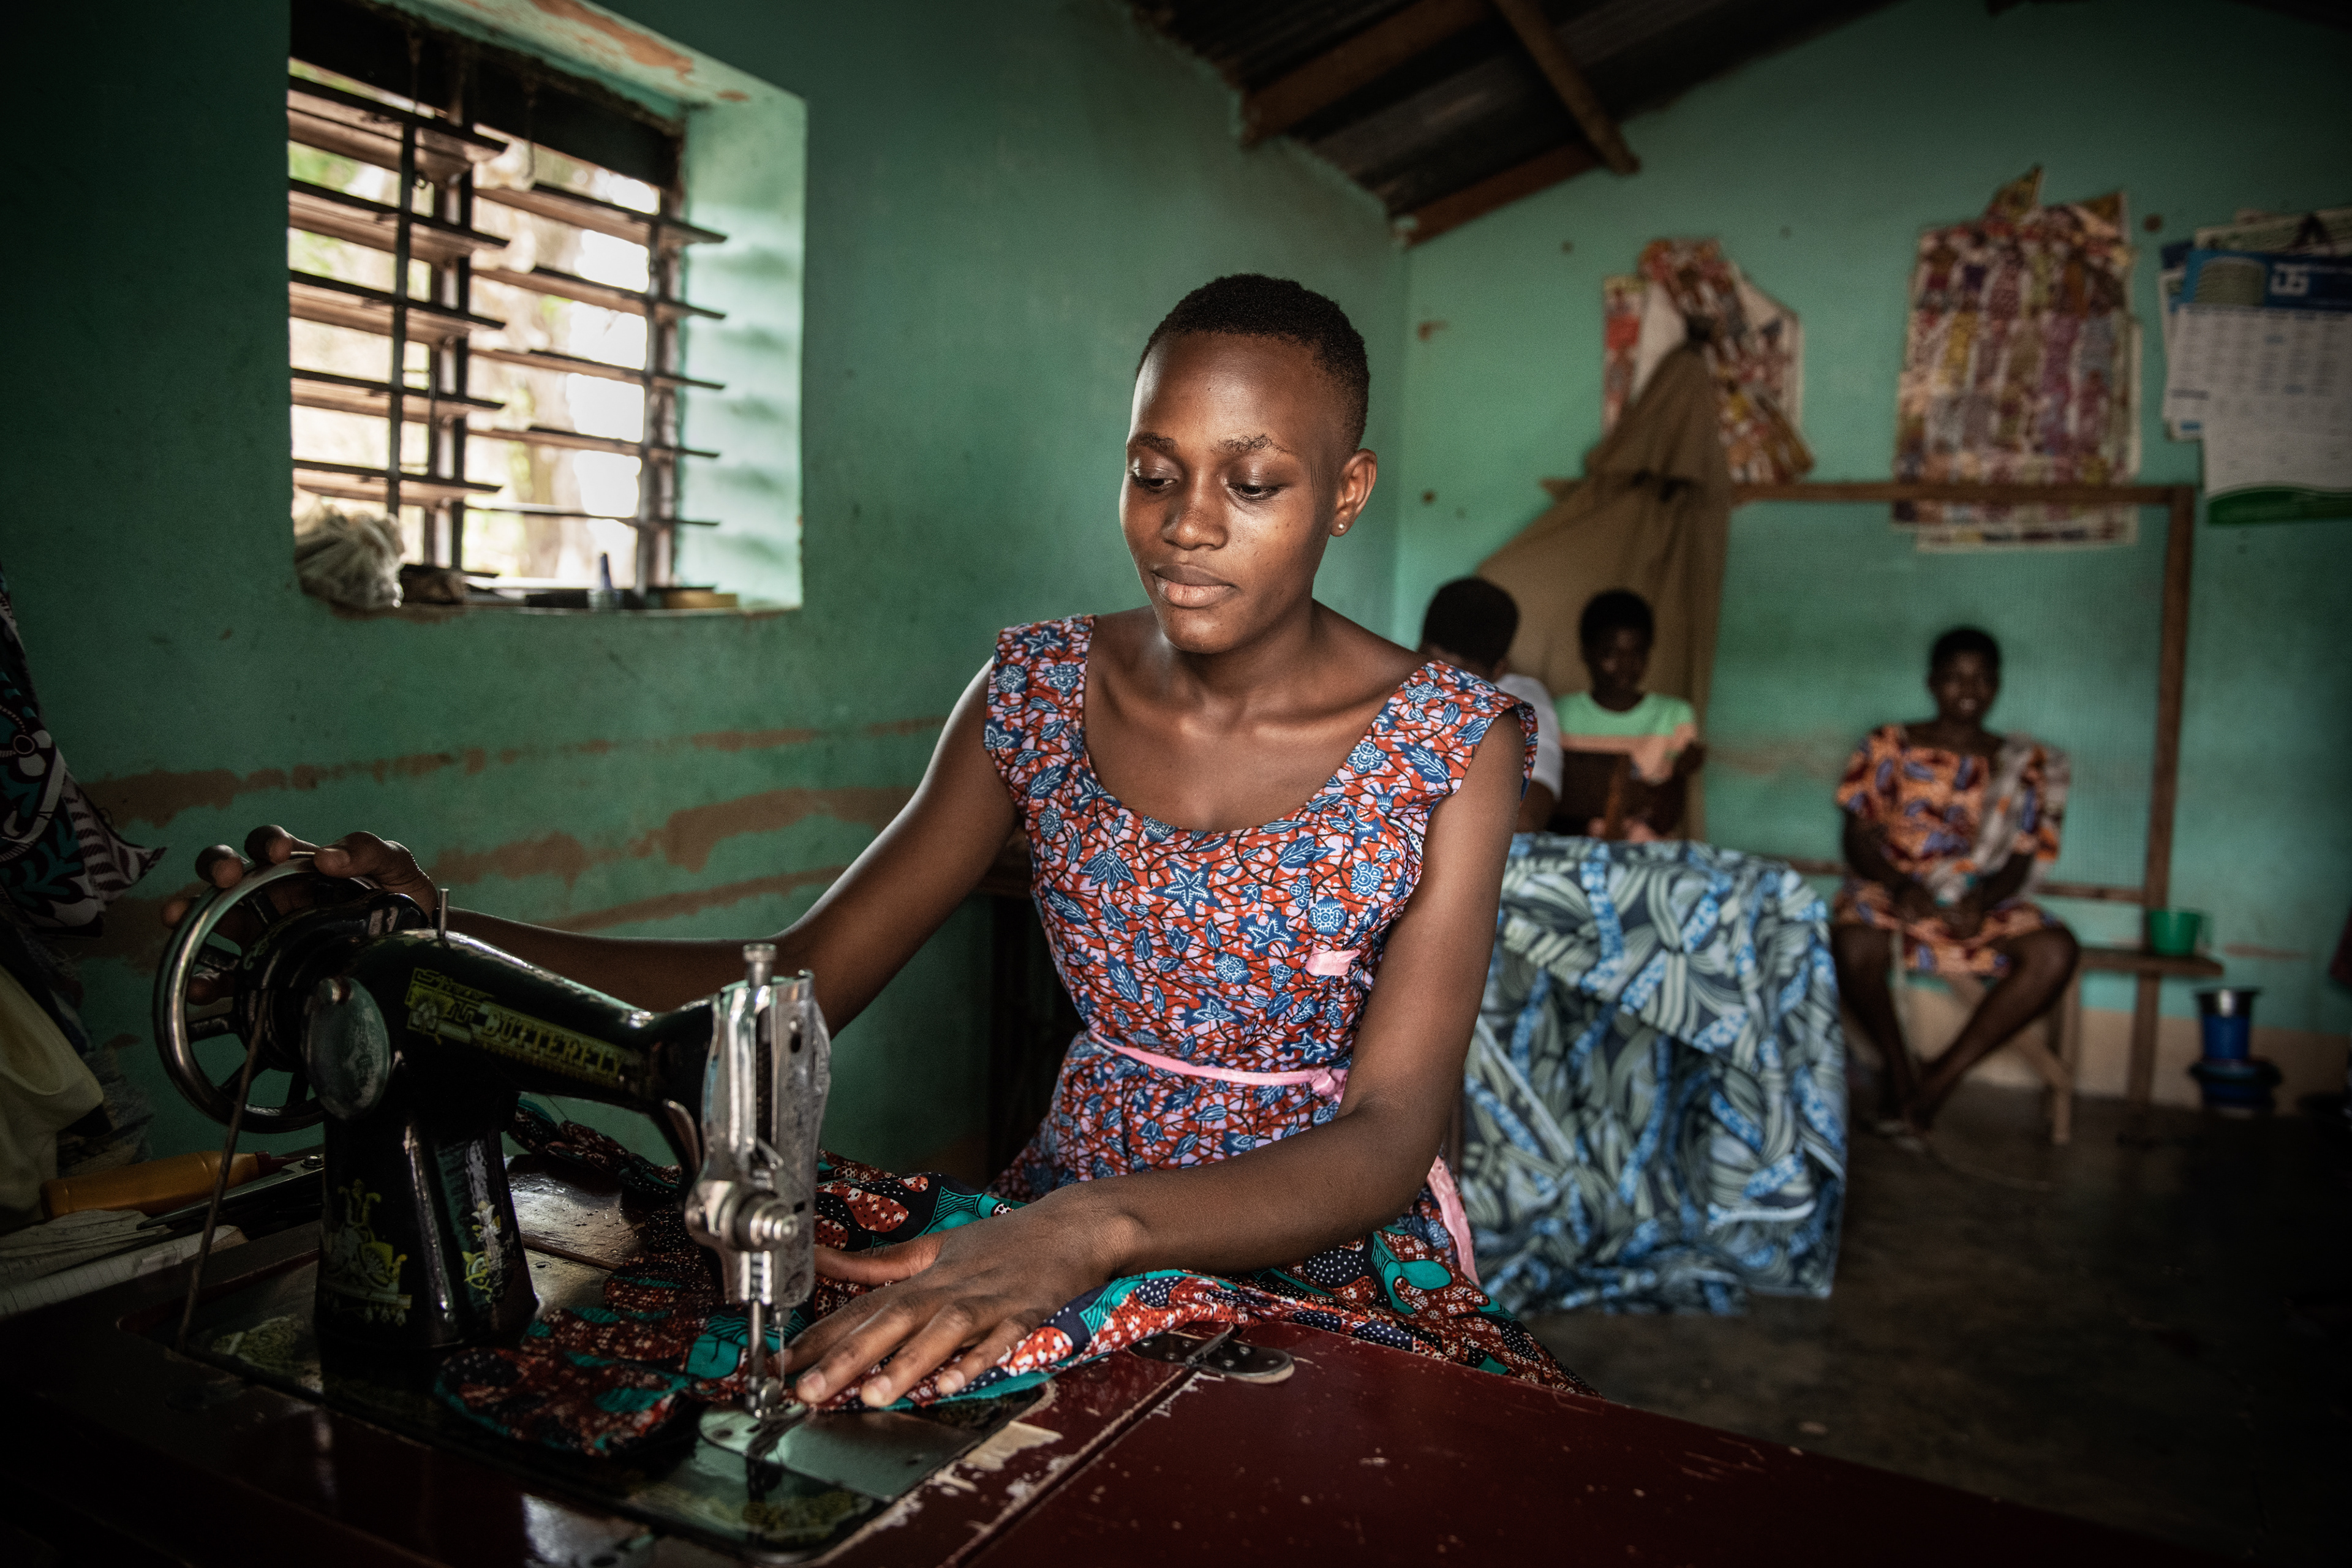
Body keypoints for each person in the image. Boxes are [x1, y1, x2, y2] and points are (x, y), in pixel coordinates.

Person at [173, 274, 1579, 1406]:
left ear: (1346, 491)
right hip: (1055, 1208)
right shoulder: (1034, 693)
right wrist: (436, 940)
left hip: (1306, 1235)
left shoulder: (1456, 745)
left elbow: (1391, 1127)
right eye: (1154, 472)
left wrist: (1096, 1227)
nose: (1187, 527)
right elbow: (794, 977)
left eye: (1253, 483)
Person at [1829, 627, 2079, 1137]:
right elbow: (1856, 838)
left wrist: (1984, 900)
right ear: (1931, 683)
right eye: (1954, 677)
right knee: (1852, 943)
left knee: (2055, 951)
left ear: (1997, 686)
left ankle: (1937, 1081)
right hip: (1894, 886)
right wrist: (1900, 886)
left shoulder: (2019, 764)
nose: (1969, 689)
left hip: (1976, 896)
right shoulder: (1888, 745)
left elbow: (2020, 859)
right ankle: (1901, 1074)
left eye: (1983, 678)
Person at [1551, 589, 1705, 839]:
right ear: (1586, 653)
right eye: (1610, 653)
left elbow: (1665, 820)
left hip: (1648, 852)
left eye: (1637, 653)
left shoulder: (1674, 716)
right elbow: (1551, 808)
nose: (1625, 665)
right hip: (1574, 848)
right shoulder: (1557, 714)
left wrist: (1680, 773)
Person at [1416, 577, 1560, 834]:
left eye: (1461, 682)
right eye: (1433, 671)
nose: (1442, 689)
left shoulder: (1520, 702)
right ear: (1415, 651)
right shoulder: (1396, 680)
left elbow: (1528, 816)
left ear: (1499, 672)